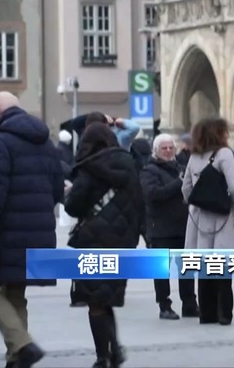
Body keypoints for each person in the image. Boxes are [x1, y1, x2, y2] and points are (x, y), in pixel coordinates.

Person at [0, 92, 64, 368]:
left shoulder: (0, 142)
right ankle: (17, 358)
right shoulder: (45, 142)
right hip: (37, 232)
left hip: (5, 233)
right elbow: (58, 189)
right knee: (15, 292)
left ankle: (22, 344)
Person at [64, 123, 144, 368]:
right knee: (105, 297)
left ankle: (103, 357)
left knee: (96, 302)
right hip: (123, 242)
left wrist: (68, 194)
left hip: (94, 241)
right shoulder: (131, 165)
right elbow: (139, 205)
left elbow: (73, 207)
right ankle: (114, 349)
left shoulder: (89, 168)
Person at [182, 118, 234, 325]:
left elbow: (186, 189)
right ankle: (224, 313)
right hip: (221, 216)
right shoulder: (224, 154)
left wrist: (198, 201)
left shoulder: (194, 156)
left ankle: (207, 313)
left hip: (198, 217)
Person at [140, 134, 198, 320]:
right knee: (162, 271)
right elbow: (153, 194)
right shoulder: (149, 171)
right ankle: (164, 305)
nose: (168, 151)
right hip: (160, 229)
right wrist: (178, 183)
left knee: (187, 268)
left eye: (170, 147)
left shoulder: (180, 168)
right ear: (156, 151)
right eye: (164, 148)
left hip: (183, 227)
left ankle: (189, 303)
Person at [60, 113, 141, 151]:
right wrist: (95, 116)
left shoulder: (119, 136)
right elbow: (75, 123)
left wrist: (116, 120)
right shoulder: (87, 137)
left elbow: (135, 128)